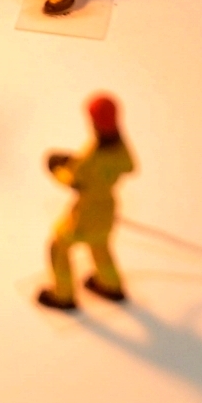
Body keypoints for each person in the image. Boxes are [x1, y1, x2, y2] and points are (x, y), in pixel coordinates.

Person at [37, 94, 134, 311]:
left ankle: (62, 295)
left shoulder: (94, 154)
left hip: (87, 213)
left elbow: (74, 179)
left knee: (59, 247)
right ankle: (111, 285)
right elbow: (129, 166)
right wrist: (76, 162)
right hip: (107, 208)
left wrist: (57, 168)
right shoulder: (121, 146)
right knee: (99, 245)